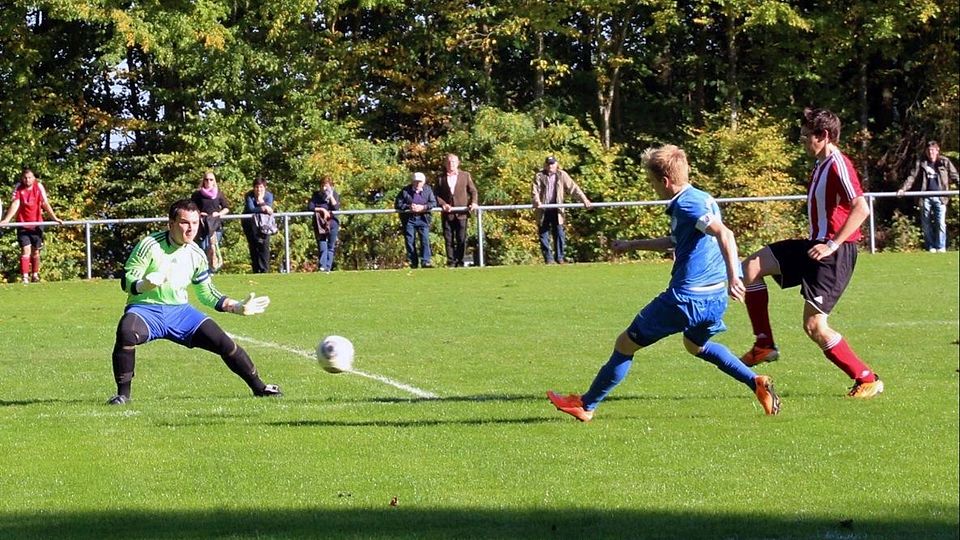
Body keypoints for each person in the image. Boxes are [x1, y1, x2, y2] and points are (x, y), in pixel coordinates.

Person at [547, 144, 780, 422]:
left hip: (686, 299)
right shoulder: (703, 198)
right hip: (713, 299)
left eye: (652, 182)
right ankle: (756, 382)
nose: (652, 187)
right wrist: (632, 245)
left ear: (666, 182)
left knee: (625, 344)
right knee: (696, 345)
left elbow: (725, 234)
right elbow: (675, 241)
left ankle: (586, 405)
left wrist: (734, 276)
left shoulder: (686, 204)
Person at [739, 107, 883, 399]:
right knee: (751, 266)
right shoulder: (820, 164)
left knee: (814, 325)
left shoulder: (838, 164)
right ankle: (764, 343)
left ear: (824, 136)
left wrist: (832, 244)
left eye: (807, 136)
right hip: (813, 245)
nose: (803, 140)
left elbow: (861, 208)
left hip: (834, 253)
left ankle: (867, 378)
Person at [107, 199, 281, 405]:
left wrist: (236, 306)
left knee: (224, 343)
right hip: (146, 310)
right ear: (170, 223)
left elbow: (207, 293)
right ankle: (123, 395)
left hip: (181, 313)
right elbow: (127, 281)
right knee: (127, 331)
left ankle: (259, 387)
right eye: (184, 223)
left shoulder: (196, 254)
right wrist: (144, 284)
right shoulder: (150, 245)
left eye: (195, 223)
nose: (191, 229)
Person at [0, 168, 63, 284]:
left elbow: (45, 203)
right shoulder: (19, 187)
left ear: (34, 178)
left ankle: (35, 274)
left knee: (36, 251)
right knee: (25, 250)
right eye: (25, 178)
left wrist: (54, 218)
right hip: (23, 224)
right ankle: (25, 277)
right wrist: (7, 219)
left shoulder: (38, 187)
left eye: (30, 178)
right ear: (22, 178)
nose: (27, 180)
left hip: (37, 224)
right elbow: (15, 204)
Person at [897, 140, 958, 252]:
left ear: (937, 150)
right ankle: (930, 246)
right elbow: (912, 177)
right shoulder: (922, 162)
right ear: (926, 151)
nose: (931, 153)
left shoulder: (944, 161)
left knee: (941, 223)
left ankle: (941, 246)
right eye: (929, 150)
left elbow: (955, 176)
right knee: (926, 224)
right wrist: (903, 189)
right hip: (925, 197)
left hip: (941, 197)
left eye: (933, 150)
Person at [531, 156, 591, 264]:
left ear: (556, 164)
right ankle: (548, 259)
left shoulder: (562, 175)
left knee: (559, 233)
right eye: (549, 164)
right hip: (543, 209)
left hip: (557, 210)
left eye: (552, 164)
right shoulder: (539, 176)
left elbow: (574, 188)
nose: (550, 166)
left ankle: (559, 258)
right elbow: (535, 191)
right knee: (543, 234)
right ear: (545, 165)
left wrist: (584, 200)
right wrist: (537, 201)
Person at [434, 154, 478, 267]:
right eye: (448, 162)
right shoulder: (440, 178)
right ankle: (451, 262)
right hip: (447, 214)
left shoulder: (465, 175)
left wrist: (473, 202)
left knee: (461, 238)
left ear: (458, 163)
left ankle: (460, 261)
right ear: (445, 164)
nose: (451, 164)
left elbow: (473, 191)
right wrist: (443, 204)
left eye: (453, 162)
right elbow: (435, 195)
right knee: (448, 239)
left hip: (462, 213)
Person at [394, 172, 437, 268]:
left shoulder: (428, 190)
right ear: (412, 182)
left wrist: (424, 207)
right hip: (409, 219)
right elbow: (398, 204)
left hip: (423, 218)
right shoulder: (405, 191)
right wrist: (409, 207)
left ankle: (426, 261)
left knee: (425, 239)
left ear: (423, 182)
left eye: (420, 182)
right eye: (416, 181)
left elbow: (433, 203)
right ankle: (413, 262)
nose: (418, 184)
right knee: (409, 240)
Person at [190, 171, 230, 271]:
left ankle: (212, 269)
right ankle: (203, 270)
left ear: (214, 181)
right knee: (202, 247)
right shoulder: (197, 194)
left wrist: (219, 214)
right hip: (202, 225)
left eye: (211, 179)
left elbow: (226, 208)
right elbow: (191, 208)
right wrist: (199, 213)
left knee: (213, 247)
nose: (208, 181)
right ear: (203, 181)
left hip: (215, 225)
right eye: (206, 179)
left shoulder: (218, 194)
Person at [241, 177, 275, 273]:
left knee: (264, 246)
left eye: (261, 187)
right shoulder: (249, 195)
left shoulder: (269, 195)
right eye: (256, 187)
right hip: (250, 224)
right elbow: (251, 208)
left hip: (264, 225)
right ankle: (256, 270)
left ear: (265, 187)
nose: (259, 190)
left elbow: (270, 207)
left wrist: (260, 201)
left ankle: (265, 270)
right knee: (253, 246)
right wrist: (263, 208)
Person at [307, 176, 341, 272]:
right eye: (322, 185)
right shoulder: (316, 195)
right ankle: (322, 266)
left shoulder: (334, 194)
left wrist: (330, 197)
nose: (324, 188)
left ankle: (328, 267)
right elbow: (310, 207)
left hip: (332, 222)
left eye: (326, 186)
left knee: (331, 246)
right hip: (320, 224)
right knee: (322, 243)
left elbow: (336, 207)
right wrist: (322, 210)